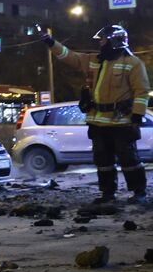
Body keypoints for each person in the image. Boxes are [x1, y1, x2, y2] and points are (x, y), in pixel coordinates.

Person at [44, 24, 150, 201]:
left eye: (103, 40)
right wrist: (51, 42)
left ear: (113, 41)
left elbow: (142, 91)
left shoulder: (132, 63)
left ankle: (139, 192)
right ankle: (108, 193)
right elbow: (69, 57)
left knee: (129, 159)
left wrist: (137, 116)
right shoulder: (95, 60)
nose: (100, 43)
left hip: (121, 122)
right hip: (98, 122)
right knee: (103, 161)